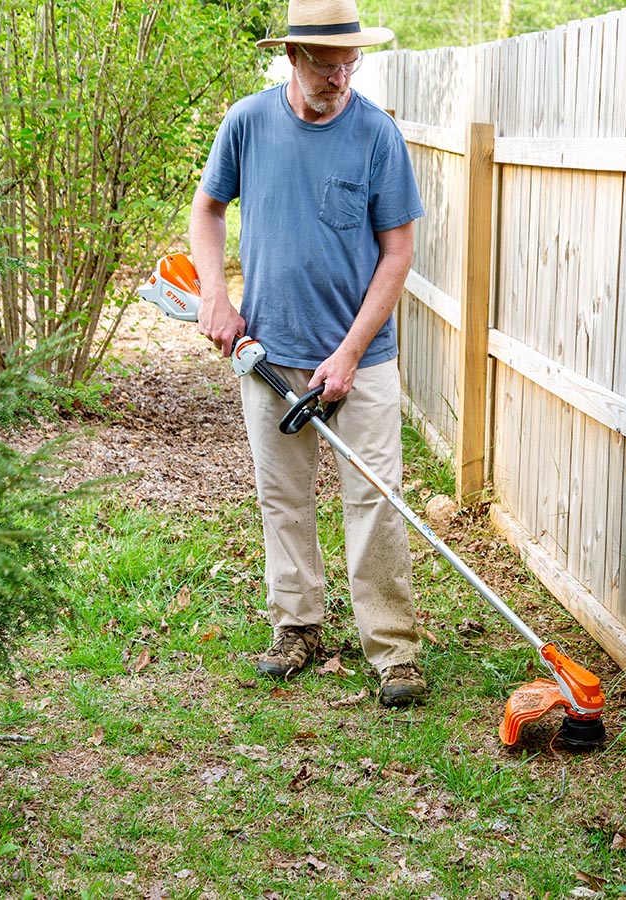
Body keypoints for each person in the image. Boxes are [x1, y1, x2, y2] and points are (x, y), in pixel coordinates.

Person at [189, 0, 427, 706]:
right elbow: (207, 208)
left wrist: (350, 355)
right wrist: (214, 294)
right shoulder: (249, 122)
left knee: (375, 499)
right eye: (328, 64)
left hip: (363, 358)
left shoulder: (377, 134)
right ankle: (298, 626)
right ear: (293, 57)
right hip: (270, 353)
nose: (342, 77)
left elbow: (398, 253)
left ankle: (392, 648)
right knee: (283, 497)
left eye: (351, 62)